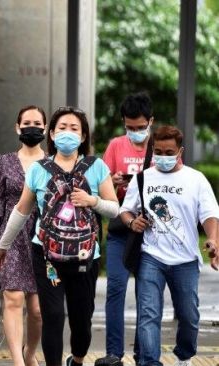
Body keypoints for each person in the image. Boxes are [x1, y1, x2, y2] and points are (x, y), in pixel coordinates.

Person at [0, 106, 119, 366]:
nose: (67, 133)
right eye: (62, 128)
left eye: (74, 129)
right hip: (47, 256)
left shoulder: (96, 167)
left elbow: (114, 208)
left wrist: (91, 200)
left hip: (85, 257)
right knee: (51, 316)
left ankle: (79, 359)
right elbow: (21, 211)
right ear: (51, 133)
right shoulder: (39, 169)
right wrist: (2, 247)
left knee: (81, 319)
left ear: (83, 137)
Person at [119, 125, 219, 366]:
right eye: (159, 151)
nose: (163, 157)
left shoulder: (195, 179)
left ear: (180, 151)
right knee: (149, 315)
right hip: (151, 257)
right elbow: (125, 210)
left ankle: (183, 354)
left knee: (189, 316)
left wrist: (213, 239)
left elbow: (209, 214)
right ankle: (150, 362)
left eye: (169, 152)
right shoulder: (143, 178)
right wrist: (133, 223)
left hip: (185, 260)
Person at [0, 106, 47, 366]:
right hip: (10, 240)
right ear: (17, 127)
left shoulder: (52, 163)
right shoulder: (4, 162)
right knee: (13, 299)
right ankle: (18, 361)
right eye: (26, 122)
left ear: (45, 128)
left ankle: (30, 353)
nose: (32, 127)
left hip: (42, 239)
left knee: (38, 311)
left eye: (37, 123)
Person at [96, 92, 153, 366]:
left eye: (141, 127)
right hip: (121, 228)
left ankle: (144, 353)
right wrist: (114, 180)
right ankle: (113, 353)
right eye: (130, 128)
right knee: (116, 288)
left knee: (147, 292)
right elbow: (100, 188)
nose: (135, 133)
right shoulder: (116, 146)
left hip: (152, 233)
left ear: (150, 122)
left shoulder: (160, 147)